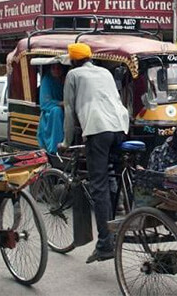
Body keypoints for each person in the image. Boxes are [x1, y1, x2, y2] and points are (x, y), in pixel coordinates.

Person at [58, 43, 129, 264]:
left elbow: (69, 111)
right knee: (111, 177)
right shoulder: (105, 71)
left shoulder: (73, 75)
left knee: (98, 186)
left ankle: (104, 243)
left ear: (73, 60)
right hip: (120, 127)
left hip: (99, 130)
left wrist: (66, 141)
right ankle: (117, 219)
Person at [37, 63, 66, 154]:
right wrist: (60, 103)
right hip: (50, 113)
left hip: (67, 110)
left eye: (58, 68)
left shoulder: (65, 79)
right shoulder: (47, 80)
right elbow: (45, 103)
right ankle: (55, 146)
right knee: (56, 111)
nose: (56, 70)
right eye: (54, 68)